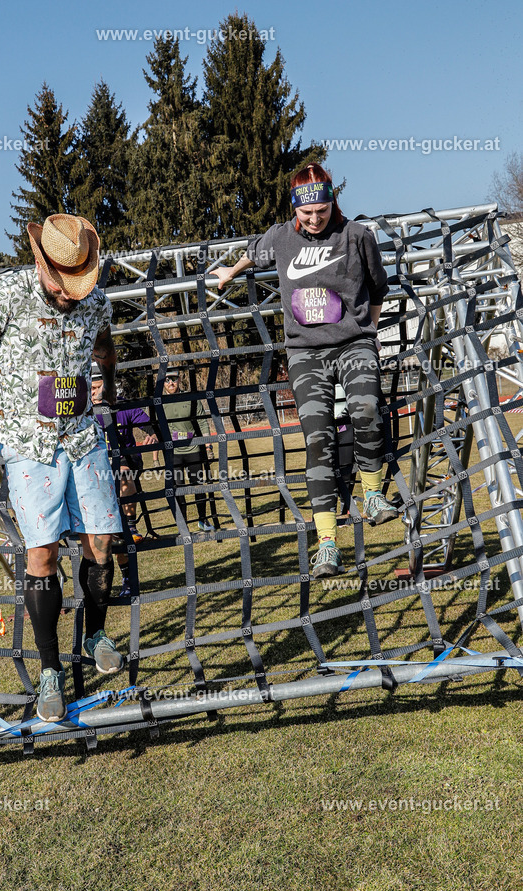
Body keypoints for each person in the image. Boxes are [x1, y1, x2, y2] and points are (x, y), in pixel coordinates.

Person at [0, 213, 125, 724]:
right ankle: (49, 671)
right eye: (61, 286)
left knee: (101, 542)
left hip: (84, 437)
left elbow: (104, 345)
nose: (68, 295)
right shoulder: (8, 295)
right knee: (40, 553)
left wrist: (107, 380)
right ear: (42, 265)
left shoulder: (95, 300)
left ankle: (96, 636)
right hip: (29, 446)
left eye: (76, 286)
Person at [210, 162, 398, 578]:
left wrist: (370, 334)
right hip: (305, 353)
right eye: (306, 213)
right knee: (318, 436)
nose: (314, 220)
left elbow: (379, 289)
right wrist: (229, 272)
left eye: (322, 211)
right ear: (295, 206)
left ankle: (372, 495)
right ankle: (327, 544)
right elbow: (251, 252)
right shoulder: (280, 236)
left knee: (366, 409)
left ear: (333, 202)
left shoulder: (357, 236)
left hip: (353, 343)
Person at [91, 364, 158, 596]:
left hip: (125, 463)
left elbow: (144, 421)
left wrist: (152, 432)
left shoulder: (122, 405)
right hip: (97, 472)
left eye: (98, 388)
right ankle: (123, 581)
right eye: (90, 389)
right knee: (109, 537)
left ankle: (131, 524)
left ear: (107, 387)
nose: (94, 393)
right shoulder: (86, 412)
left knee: (122, 472)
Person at [158, 368, 215, 532]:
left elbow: (203, 422)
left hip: (193, 450)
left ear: (179, 380)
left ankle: (203, 520)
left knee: (198, 486)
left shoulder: (190, 398)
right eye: (167, 380)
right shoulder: (159, 402)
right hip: (174, 454)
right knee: (178, 489)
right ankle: (183, 525)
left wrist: (208, 445)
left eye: (173, 379)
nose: (170, 383)